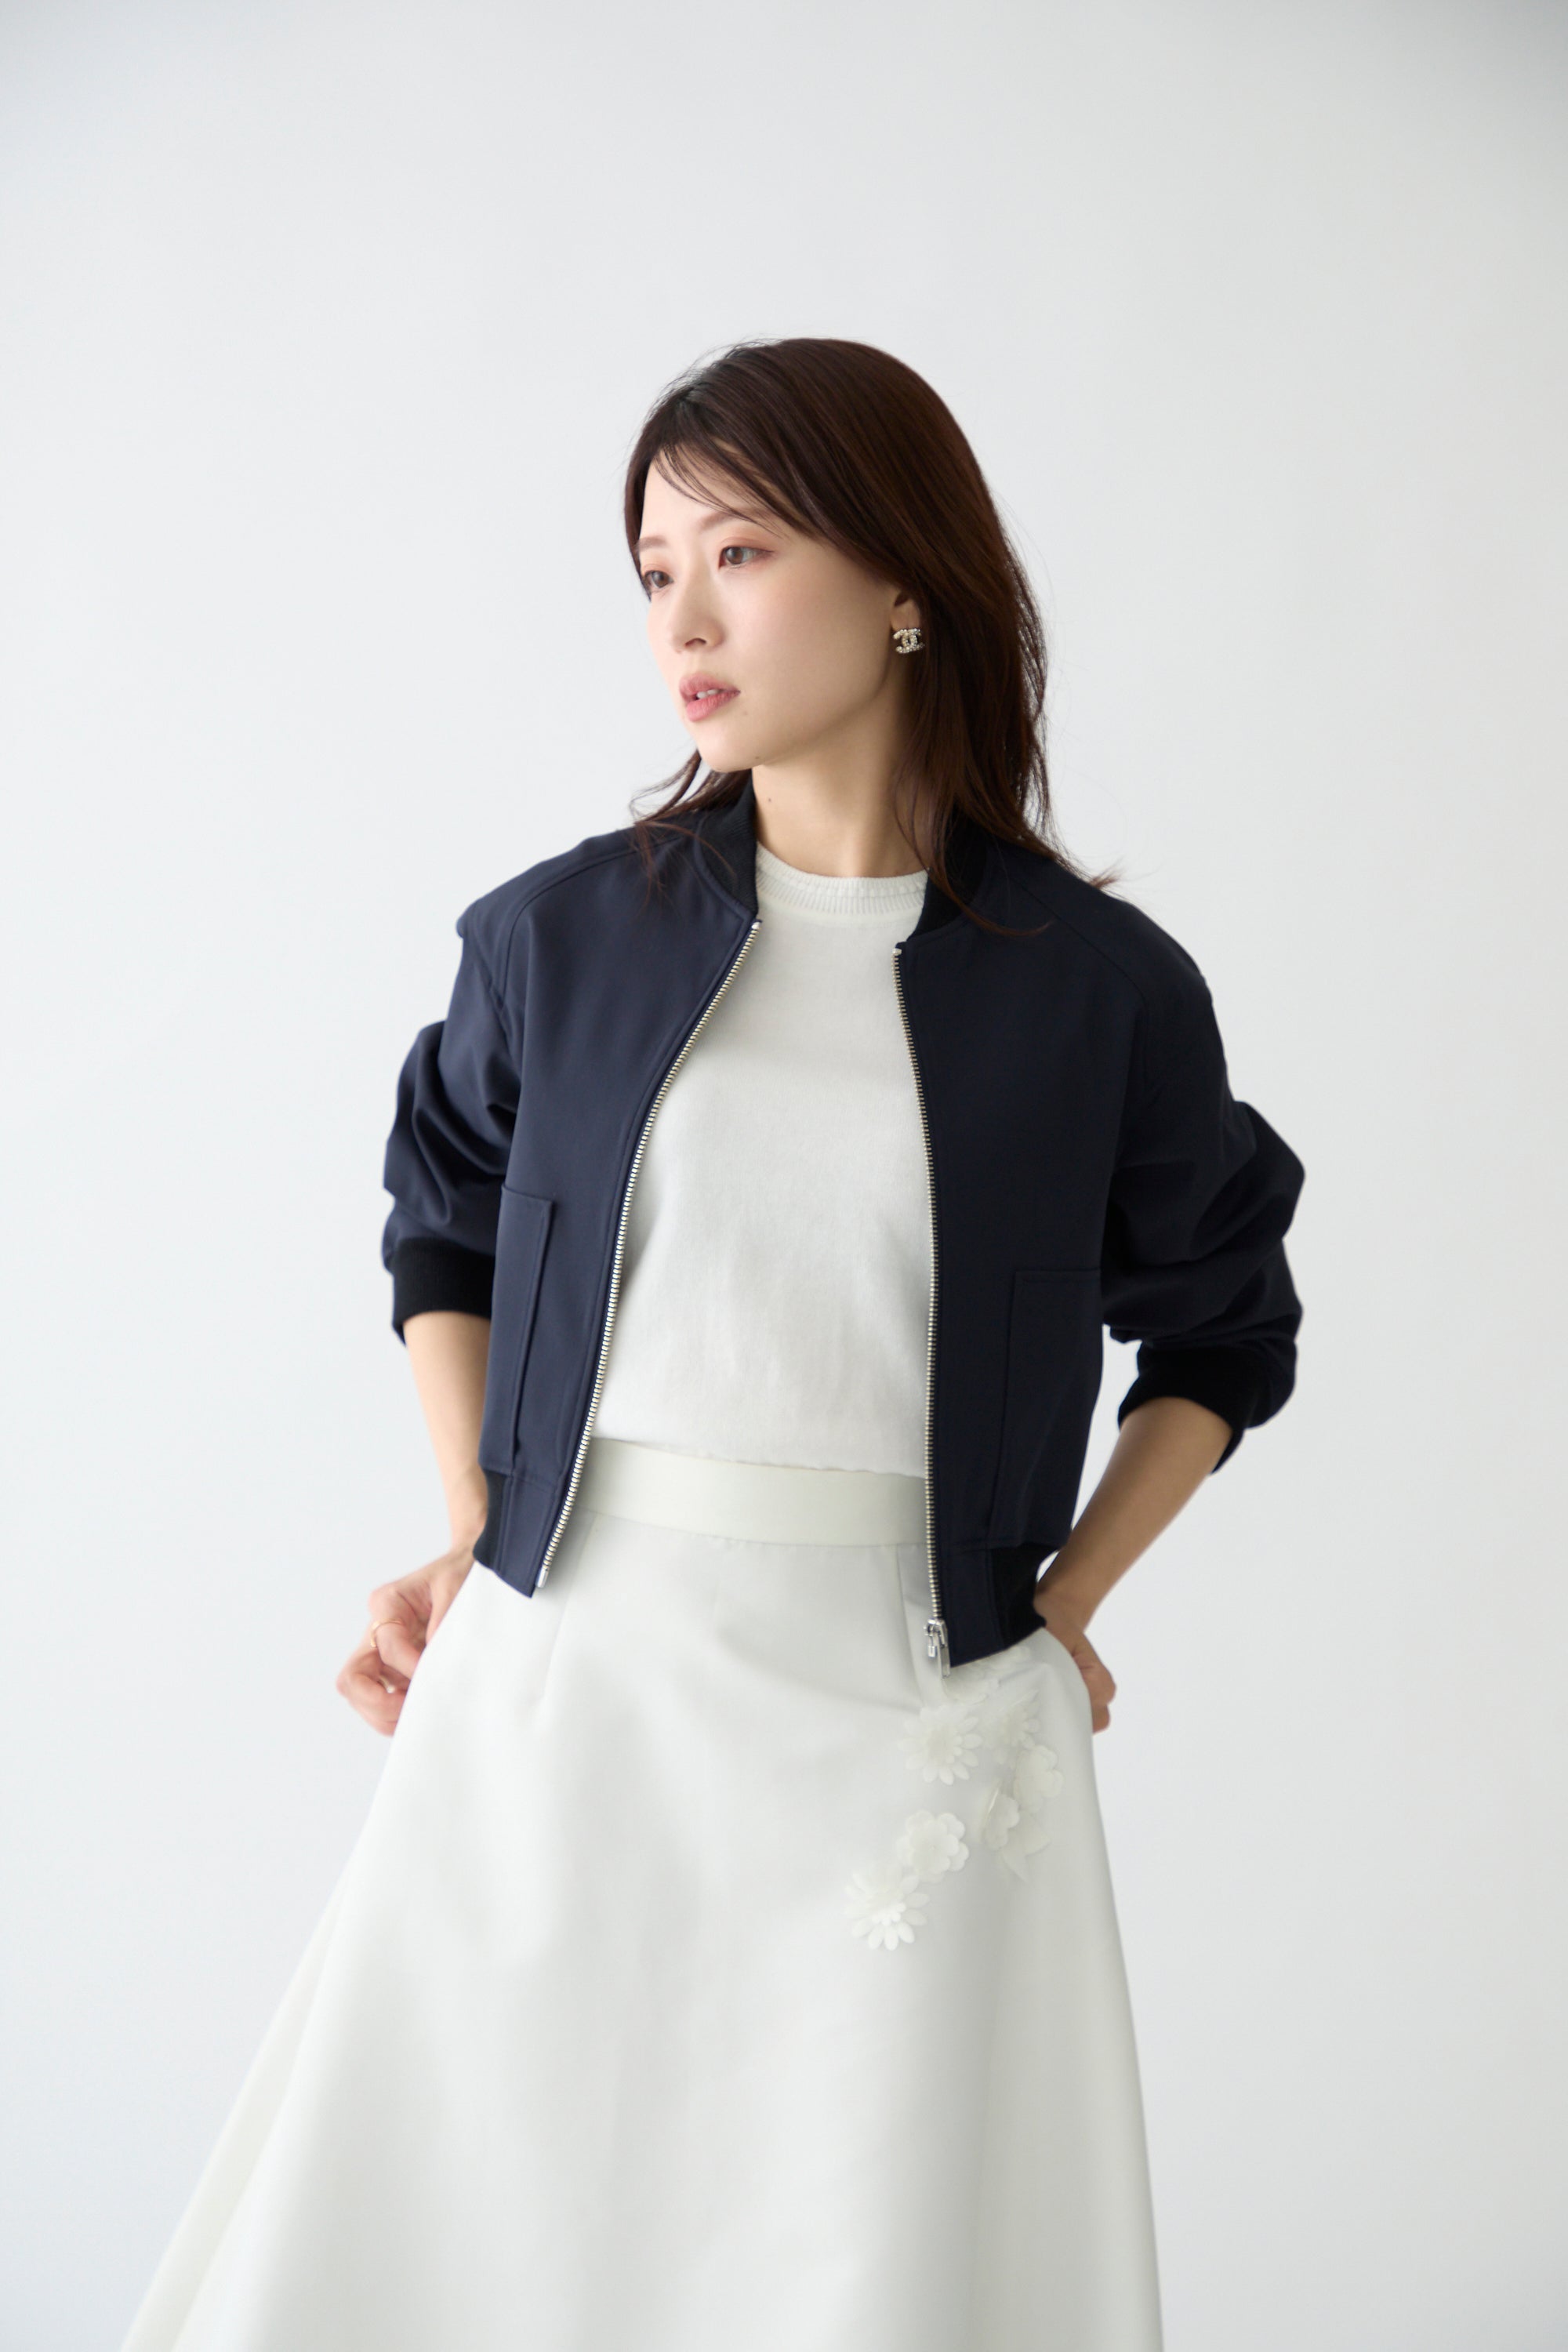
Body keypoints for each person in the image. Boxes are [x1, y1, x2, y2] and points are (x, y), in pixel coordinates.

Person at [122, 336, 1305, 2352]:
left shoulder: (1098, 992)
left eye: (739, 554)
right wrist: (480, 1522)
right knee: (497, 2238)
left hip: (911, 1721)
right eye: (654, 570)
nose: (682, 619)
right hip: (573, 1683)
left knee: (849, 2264)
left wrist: (1057, 1607)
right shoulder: (557, 938)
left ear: (907, 578)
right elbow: (446, 1220)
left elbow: (1220, 1323)